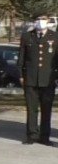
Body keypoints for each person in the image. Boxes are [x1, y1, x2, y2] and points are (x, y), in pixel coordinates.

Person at [17, 14, 58, 146]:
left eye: (43, 19)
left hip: (48, 80)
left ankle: (44, 137)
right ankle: (31, 135)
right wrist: (20, 76)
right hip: (30, 79)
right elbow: (21, 58)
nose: (41, 22)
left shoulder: (54, 36)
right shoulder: (27, 36)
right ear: (34, 22)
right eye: (38, 19)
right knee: (31, 109)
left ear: (48, 21)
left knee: (46, 110)